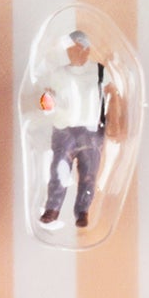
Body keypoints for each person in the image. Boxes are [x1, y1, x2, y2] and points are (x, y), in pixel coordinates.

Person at [36, 29, 120, 229]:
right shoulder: (58, 73)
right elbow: (47, 96)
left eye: (77, 49)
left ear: (86, 50)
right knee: (58, 170)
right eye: (70, 50)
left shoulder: (99, 71)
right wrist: (47, 104)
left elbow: (112, 95)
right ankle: (52, 208)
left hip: (91, 131)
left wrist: (114, 121)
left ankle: (83, 211)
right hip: (64, 130)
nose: (73, 53)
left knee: (89, 173)